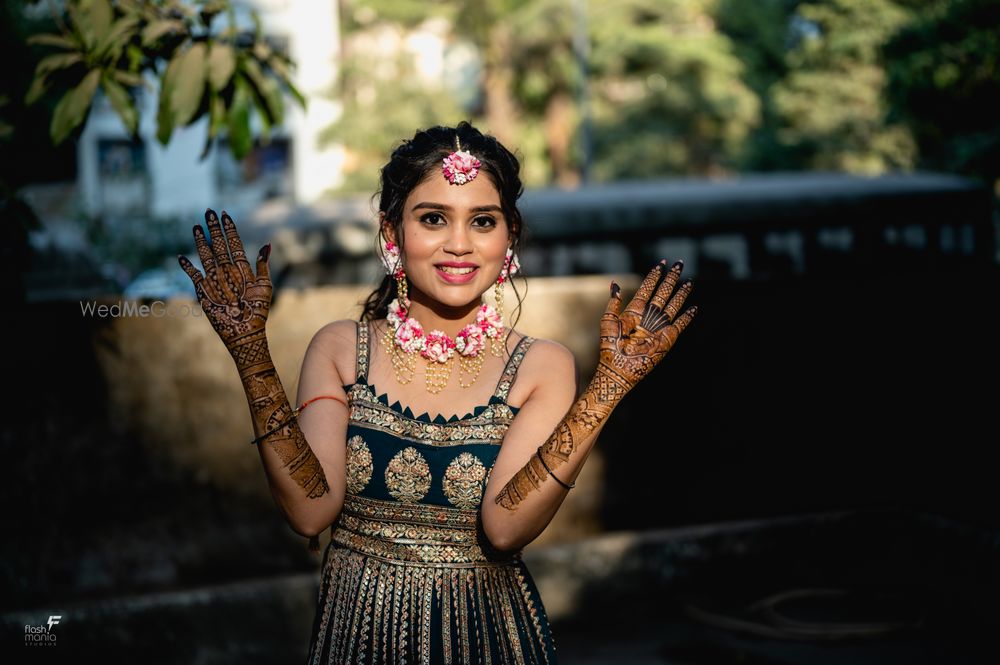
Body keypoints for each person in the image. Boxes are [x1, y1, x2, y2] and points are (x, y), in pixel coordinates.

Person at [178, 121, 697, 664]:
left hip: (488, 642)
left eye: (483, 221)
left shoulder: (541, 366)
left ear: (509, 235)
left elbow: (505, 528)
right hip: (357, 642)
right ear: (391, 233)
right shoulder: (339, 349)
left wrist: (609, 387)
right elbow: (310, 513)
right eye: (432, 219)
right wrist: (249, 351)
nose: (459, 244)